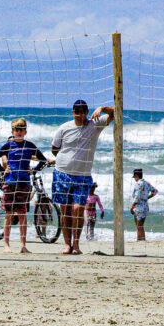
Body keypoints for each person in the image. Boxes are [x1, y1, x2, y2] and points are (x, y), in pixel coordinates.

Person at [51, 100, 114, 255]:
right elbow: (55, 149)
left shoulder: (94, 125)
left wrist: (102, 107)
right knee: (65, 210)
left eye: (83, 111)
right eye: (77, 112)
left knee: (78, 209)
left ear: (87, 112)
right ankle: (67, 245)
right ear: (73, 112)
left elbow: (117, 111)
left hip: (83, 175)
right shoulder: (64, 128)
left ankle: (76, 244)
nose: (80, 114)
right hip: (62, 173)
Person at [0, 118, 48, 254]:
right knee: (9, 214)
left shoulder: (29, 145)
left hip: (24, 184)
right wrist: (2, 170)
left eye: (21, 130)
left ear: (25, 132)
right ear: (13, 131)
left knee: (22, 215)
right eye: (16, 130)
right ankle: (6, 245)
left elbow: (43, 160)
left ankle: (23, 245)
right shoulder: (8, 145)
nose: (19, 132)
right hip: (10, 183)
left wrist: (33, 170)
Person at [131, 169, 158, 240]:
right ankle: (141, 239)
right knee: (141, 225)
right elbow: (155, 191)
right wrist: (147, 198)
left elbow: (137, 196)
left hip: (139, 206)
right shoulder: (147, 183)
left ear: (136, 176)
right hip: (145, 205)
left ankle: (140, 239)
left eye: (134, 177)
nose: (134, 179)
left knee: (138, 226)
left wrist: (132, 206)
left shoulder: (138, 184)